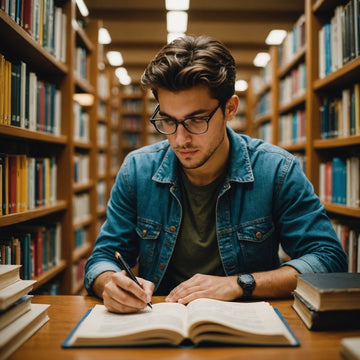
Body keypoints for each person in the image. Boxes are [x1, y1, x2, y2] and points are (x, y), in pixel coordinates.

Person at [84, 35, 347, 313]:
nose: (180, 139)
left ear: (230, 108)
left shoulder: (277, 170)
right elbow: (103, 258)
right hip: (158, 320)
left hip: (248, 322)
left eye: (196, 120)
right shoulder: (137, 170)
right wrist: (109, 283)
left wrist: (239, 284)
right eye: (169, 121)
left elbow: (328, 259)